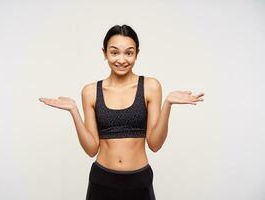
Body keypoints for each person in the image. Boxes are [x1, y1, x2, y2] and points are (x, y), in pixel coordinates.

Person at [39, 24, 205, 200]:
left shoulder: (150, 87)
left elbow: (155, 144)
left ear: (136, 54)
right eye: (114, 52)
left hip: (139, 181)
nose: (121, 59)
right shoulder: (90, 91)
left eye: (129, 52)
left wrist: (168, 105)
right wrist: (74, 110)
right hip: (101, 180)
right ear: (105, 53)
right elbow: (91, 149)